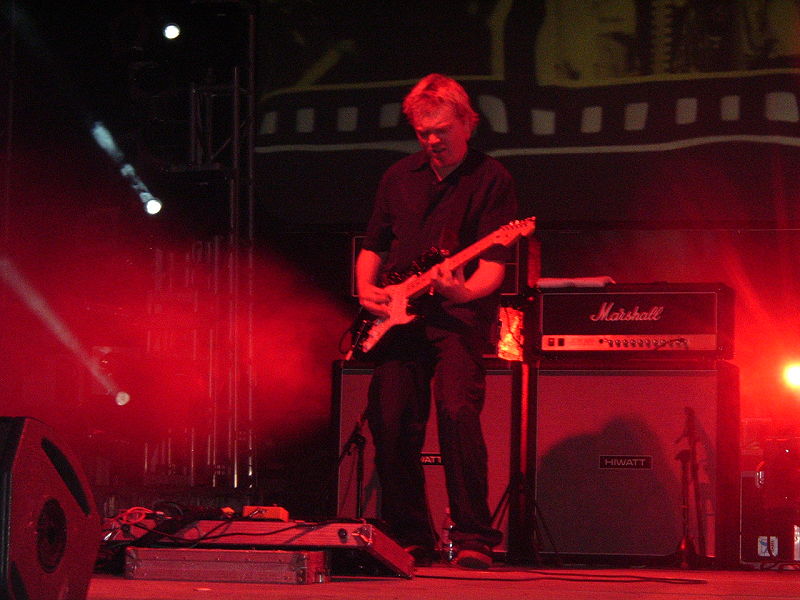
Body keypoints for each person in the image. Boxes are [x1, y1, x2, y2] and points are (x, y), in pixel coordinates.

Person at [355, 73, 518, 569]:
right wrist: (365, 289)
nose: (432, 140)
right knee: (390, 421)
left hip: (456, 318)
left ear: (468, 123)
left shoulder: (491, 178)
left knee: (457, 414)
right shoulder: (398, 176)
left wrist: (461, 291)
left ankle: (473, 537)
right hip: (398, 318)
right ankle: (410, 535)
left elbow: (493, 263)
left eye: (442, 130)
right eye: (423, 132)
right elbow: (373, 245)